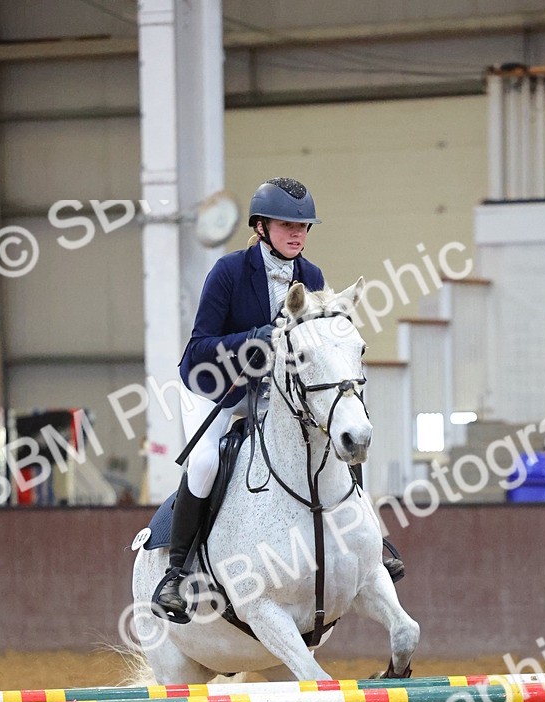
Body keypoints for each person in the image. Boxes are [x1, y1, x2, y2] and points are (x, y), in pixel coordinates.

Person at [154, 176, 402, 619]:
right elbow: (199, 348)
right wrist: (257, 337)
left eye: (303, 226)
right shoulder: (228, 271)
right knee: (206, 462)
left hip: (274, 392)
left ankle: (367, 546)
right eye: (287, 225)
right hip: (217, 387)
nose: (297, 234)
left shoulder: (312, 276)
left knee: (336, 432)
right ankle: (176, 572)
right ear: (261, 227)